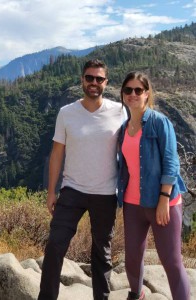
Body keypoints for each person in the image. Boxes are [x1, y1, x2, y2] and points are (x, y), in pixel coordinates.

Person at [38, 59, 127, 300]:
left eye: (99, 79)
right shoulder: (66, 113)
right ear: (82, 80)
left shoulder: (119, 111)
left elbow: (131, 150)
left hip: (106, 193)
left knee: (102, 254)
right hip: (72, 190)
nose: (94, 83)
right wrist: (51, 192)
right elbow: (57, 153)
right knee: (55, 246)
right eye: (90, 78)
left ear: (106, 82)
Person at [117, 71, 191, 300]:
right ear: (123, 94)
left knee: (171, 261)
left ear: (147, 94)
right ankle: (137, 294)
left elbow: (171, 163)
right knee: (132, 258)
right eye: (128, 90)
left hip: (162, 202)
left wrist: (163, 200)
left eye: (138, 90)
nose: (133, 94)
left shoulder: (159, 122)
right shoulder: (124, 128)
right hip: (132, 203)